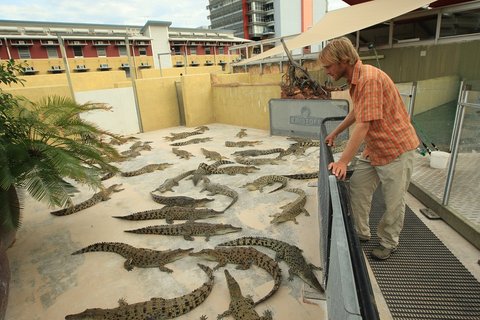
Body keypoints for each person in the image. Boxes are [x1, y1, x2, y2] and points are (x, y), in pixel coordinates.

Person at [319, 37, 419, 260]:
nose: (326, 71)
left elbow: (364, 124)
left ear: (344, 60)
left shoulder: (369, 80)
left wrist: (343, 161)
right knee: (358, 188)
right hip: (374, 148)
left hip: (396, 149)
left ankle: (388, 242)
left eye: (328, 66)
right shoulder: (357, 80)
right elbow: (358, 113)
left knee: (394, 202)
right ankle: (361, 232)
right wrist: (335, 132)